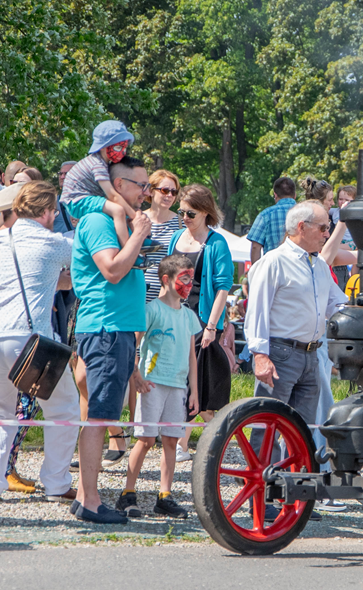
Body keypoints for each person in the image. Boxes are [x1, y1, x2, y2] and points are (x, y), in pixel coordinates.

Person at [0, 182, 80, 502]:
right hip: (29, 341)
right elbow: (84, 268)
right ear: (46, 212)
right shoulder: (54, 243)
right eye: (54, 211)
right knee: (63, 409)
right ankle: (57, 483)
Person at [68, 155, 154, 523]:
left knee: (101, 414)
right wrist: (139, 235)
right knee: (100, 416)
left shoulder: (116, 222)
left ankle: (85, 497)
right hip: (106, 329)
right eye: (141, 185)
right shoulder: (98, 220)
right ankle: (90, 501)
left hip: (115, 330)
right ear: (118, 186)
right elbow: (113, 270)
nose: (146, 192)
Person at [244, 200, 347, 418]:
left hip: (311, 356)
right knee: (268, 424)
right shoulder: (274, 261)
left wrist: (360, 312)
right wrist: (260, 356)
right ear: (302, 227)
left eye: (328, 228)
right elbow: (257, 310)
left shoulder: (319, 265)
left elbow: (336, 304)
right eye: (323, 227)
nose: (327, 234)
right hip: (279, 354)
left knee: (303, 429)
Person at [117, 253, 202, 518]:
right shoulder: (151, 310)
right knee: (145, 439)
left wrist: (194, 391)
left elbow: (192, 356)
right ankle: (127, 493)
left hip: (178, 387)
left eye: (191, 279)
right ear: (166, 279)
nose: (188, 285)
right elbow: (134, 343)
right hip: (152, 385)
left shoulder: (188, 316)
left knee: (171, 441)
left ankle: (164, 495)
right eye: (183, 278)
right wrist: (136, 375)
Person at [166, 185, 236, 437]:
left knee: (192, 383)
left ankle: (185, 443)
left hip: (200, 319)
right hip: (174, 318)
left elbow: (223, 288)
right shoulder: (176, 237)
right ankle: (213, 436)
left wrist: (211, 327)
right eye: (181, 212)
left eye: (190, 213)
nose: (184, 218)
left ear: (206, 212)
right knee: (177, 381)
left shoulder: (217, 243)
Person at [59, 119, 134, 215]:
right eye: (118, 148)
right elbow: (113, 196)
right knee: (117, 210)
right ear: (102, 147)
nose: (123, 152)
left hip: (85, 199)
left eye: (124, 148)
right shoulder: (98, 165)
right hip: (77, 201)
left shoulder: (102, 162)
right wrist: (134, 216)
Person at [141, 168, 185, 301]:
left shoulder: (181, 224)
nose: (170, 195)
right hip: (138, 294)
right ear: (151, 191)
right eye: (165, 190)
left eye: (174, 192)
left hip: (168, 297)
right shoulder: (138, 219)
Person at [247, 175, 299, 262]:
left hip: (273, 267)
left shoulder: (265, 215)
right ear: (295, 195)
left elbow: (255, 247)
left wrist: (257, 269)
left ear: (275, 195)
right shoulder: (307, 213)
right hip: (300, 267)